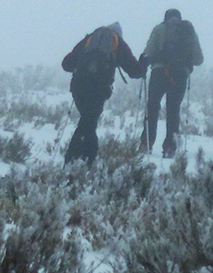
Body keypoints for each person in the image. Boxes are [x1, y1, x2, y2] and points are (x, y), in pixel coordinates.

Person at [61, 22, 146, 165]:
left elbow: (66, 64)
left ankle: (83, 160)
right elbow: (135, 71)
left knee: (87, 123)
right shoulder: (118, 43)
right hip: (98, 89)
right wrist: (144, 63)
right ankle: (77, 160)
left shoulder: (89, 39)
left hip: (79, 87)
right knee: (87, 124)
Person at [139, 9, 203, 158]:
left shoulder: (160, 29)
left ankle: (145, 144)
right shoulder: (188, 31)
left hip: (159, 72)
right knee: (173, 110)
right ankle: (170, 147)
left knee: (152, 107)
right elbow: (199, 59)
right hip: (180, 75)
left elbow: (149, 51)